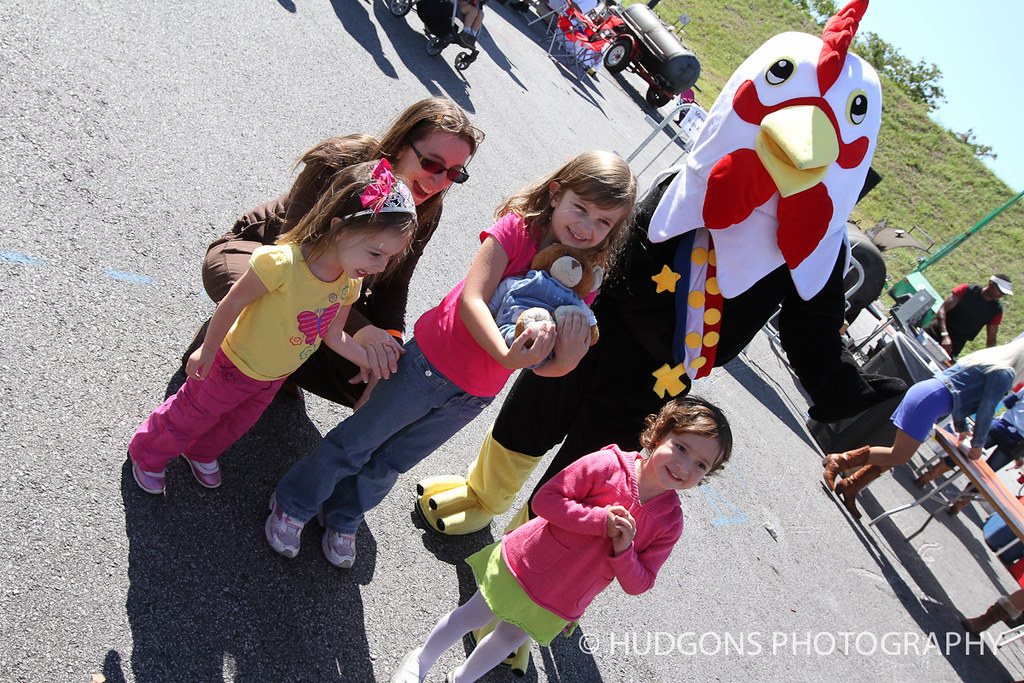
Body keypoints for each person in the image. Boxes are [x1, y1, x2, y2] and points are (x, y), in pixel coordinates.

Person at [417, 0, 905, 541]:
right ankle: (485, 495)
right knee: (534, 407)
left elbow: (811, 328)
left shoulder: (817, 243)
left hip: (664, 374)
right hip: (593, 322)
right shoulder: (690, 179)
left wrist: (849, 392)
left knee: (596, 462)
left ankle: (530, 551)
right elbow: (612, 236)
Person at [264, 151, 637, 568]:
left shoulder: (583, 277)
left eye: (603, 222)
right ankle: (294, 502)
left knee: (393, 460)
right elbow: (472, 300)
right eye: (580, 209)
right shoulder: (517, 230)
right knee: (358, 442)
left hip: (473, 394)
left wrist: (567, 357)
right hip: (430, 364)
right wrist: (504, 353)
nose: (586, 228)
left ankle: (344, 513)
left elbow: (551, 366)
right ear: (555, 194)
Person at [391, 397, 733, 683]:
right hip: (527, 563)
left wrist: (624, 550)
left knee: (509, 637)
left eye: (701, 464)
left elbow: (640, 583)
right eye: (682, 447)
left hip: (565, 596)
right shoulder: (607, 464)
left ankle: (461, 678)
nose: (685, 466)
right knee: (474, 614)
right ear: (658, 434)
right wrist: (601, 521)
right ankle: (421, 660)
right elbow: (546, 501)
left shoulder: (670, 522)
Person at [128, 161, 418, 494]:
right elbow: (233, 303)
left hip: (273, 376)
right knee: (193, 412)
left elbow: (332, 334)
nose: (379, 267)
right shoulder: (282, 263)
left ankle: (201, 452)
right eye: (375, 253)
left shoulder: (347, 283)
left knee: (237, 422)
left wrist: (368, 361)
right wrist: (206, 349)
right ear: (339, 229)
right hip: (232, 363)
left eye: (388, 259)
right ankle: (148, 451)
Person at [189, 98, 483, 407]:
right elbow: (292, 250)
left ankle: (277, 366)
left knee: (374, 377)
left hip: (336, 288)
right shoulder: (341, 159)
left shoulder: (427, 210)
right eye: (432, 164)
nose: (438, 181)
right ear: (400, 145)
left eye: (454, 174)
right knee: (282, 306)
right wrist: (360, 329)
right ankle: (218, 347)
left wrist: (389, 341)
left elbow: (395, 283)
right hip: (266, 256)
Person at [822, 337, 1024, 519]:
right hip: (931, 401)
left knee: (896, 455)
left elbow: (960, 393)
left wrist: (962, 427)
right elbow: (986, 410)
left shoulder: (991, 359)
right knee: (899, 455)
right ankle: (840, 460)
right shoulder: (1004, 373)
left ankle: (851, 486)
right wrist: (977, 444)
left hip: (929, 395)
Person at [913, 384, 1024, 514]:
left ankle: (927, 477)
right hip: (1016, 442)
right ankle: (960, 503)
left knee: (963, 453)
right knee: (985, 475)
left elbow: (1009, 402)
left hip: (1000, 426)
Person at [924, 274, 1012, 358]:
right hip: (935, 331)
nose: (1001, 295)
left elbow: (991, 340)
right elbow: (942, 311)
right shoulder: (967, 289)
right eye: (1000, 291)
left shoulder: (996, 310)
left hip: (954, 346)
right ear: (991, 283)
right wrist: (945, 335)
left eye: (1004, 293)